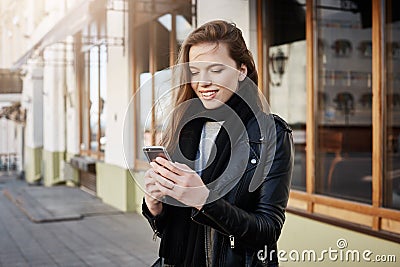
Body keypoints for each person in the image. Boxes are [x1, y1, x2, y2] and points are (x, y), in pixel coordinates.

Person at [142, 20, 294, 267]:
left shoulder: (270, 133)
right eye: (195, 71)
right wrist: (154, 205)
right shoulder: (183, 128)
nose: (203, 82)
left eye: (215, 69)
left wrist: (204, 200)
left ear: (241, 71)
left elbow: (267, 231)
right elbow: (170, 228)